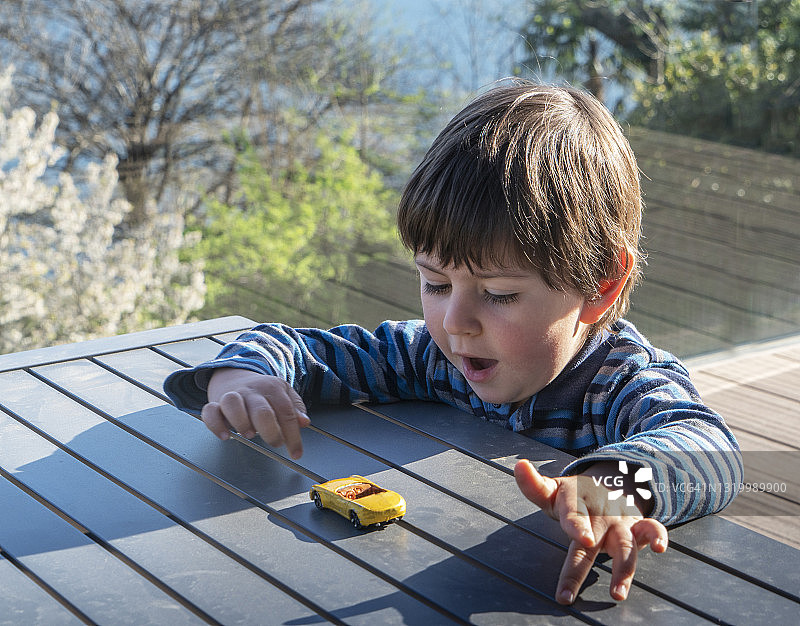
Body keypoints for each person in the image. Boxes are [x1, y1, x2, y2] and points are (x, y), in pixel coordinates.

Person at [164, 81, 742, 605]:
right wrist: (243, 378)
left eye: (499, 294)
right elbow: (296, 346)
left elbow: (709, 447)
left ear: (600, 285)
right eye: (435, 283)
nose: (456, 321)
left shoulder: (620, 380)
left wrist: (611, 485)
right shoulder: (433, 357)